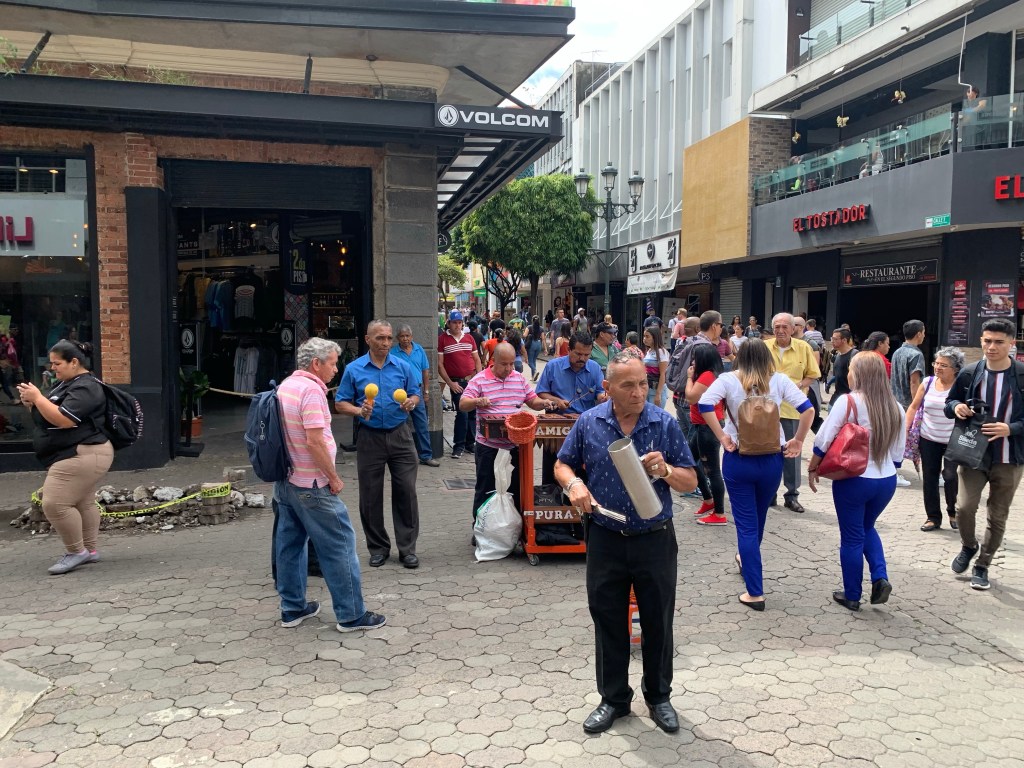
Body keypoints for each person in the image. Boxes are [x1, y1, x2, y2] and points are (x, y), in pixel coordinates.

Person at [555, 353, 697, 735]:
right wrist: (574, 484)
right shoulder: (590, 422)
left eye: (643, 384)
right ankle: (614, 699)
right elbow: (562, 463)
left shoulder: (664, 423)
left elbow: (690, 481)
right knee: (607, 619)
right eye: (628, 385)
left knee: (657, 620)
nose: (638, 392)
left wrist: (666, 470)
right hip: (605, 536)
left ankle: (659, 696)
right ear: (608, 388)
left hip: (655, 538)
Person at [269, 337, 386, 632]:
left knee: (289, 546)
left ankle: (292, 608)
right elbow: (314, 442)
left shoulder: (286, 386)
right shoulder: (311, 391)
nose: (336, 369)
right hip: (312, 484)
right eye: (332, 363)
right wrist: (333, 477)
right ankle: (351, 614)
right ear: (316, 363)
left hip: (286, 481)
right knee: (339, 545)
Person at [699, 339, 815, 610]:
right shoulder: (780, 380)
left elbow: (704, 404)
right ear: (766, 357)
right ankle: (746, 560)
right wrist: (798, 440)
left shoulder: (728, 380)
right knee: (758, 518)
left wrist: (722, 436)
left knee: (746, 526)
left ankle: (755, 591)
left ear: (740, 357)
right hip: (772, 460)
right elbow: (808, 409)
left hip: (738, 459)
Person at [808, 352, 906, 611]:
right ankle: (880, 577)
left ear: (859, 374)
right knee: (867, 527)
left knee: (852, 537)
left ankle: (852, 595)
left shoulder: (848, 401)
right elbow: (898, 453)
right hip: (886, 480)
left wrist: (813, 466)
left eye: (851, 369)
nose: (848, 373)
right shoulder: (896, 407)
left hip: (853, 479)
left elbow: (823, 439)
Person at [16, 340, 113, 575]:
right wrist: (32, 403)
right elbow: (49, 417)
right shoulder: (67, 384)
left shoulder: (86, 387)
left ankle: (76, 552)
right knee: (82, 502)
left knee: (54, 503)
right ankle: (89, 550)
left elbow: (65, 420)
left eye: (57, 363)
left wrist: (38, 398)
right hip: (78, 452)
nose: (52, 368)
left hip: (82, 454)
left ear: (74, 362)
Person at [336, 321, 423, 569]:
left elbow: (415, 393)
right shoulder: (354, 369)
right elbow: (340, 403)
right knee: (370, 494)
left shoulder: (403, 366)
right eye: (380, 338)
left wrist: (412, 402)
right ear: (368, 339)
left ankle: (407, 549)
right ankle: (378, 548)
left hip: (401, 435)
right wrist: (358, 410)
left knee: (406, 491)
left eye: (388, 338)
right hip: (369, 436)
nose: (386, 343)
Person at [945, 318, 1024, 591]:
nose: (992, 347)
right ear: (981, 340)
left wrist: (1011, 428)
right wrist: (956, 407)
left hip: (1009, 457)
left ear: (1011, 343)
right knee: (964, 507)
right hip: (972, 452)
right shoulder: (970, 372)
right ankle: (969, 545)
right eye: (987, 341)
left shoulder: (1021, 375)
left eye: (999, 342)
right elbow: (950, 401)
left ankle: (983, 564)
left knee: (997, 515)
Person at [461, 343, 554, 521]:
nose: (509, 368)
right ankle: (481, 527)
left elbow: (532, 401)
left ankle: (513, 526)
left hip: (515, 445)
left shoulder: (518, 378)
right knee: (486, 488)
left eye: (511, 363)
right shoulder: (479, 379)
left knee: (516, 488)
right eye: (504, 364)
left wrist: (544, 403)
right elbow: (463, 404)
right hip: (489, 447)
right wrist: (478, 401)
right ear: (493, 361)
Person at [764, 313, 821, 514]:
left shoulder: (803, 347)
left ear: (793, 328)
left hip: (793, 409)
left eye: (784, 327)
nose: (780, 330)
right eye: (777, 327)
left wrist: (798, 385)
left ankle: (792, 495)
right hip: (766, 410)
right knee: (767, 453)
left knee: (792, 453)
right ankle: (769, 494)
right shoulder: (764, 347)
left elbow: (813, 375)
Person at [536, 331, 608, 484]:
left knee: (584, 474)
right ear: (569, 349)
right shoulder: (553, 366)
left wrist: (603, 398)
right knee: (552, 473)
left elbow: (600, 393)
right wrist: (556, 400)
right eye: (578, 354)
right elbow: (541, 392)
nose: (582, 358)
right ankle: (552, 493)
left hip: (584, 425)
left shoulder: (594, 368)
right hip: (556, 425)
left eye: (586, 355)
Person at [905, 347, 963, 531]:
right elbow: (913, 407)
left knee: (950, 476)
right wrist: (905, 428)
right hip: (928, 437)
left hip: (953, 439)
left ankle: (953, 511)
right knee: (929, 478)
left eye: (943, 365)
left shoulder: (961, 385)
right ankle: (933, 517)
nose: (938, 367)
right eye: (936, 363)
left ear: (955, 369)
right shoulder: (928, 382)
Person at [685, 344, 727, 526]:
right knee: (689, 461)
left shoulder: (707, 376)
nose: (693, 362)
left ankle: (719, 514)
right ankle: (709, 500)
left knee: (712, 471)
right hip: (701, 426)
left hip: (707, 428)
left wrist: (689, 378)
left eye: (695, 358)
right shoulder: (711, 374)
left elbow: (691, 397)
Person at [392, 323, 439, 468]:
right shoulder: (393, 353)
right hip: (400, 393)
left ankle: (426, 456)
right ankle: (400, 456)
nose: (405, 339)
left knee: (422, 424)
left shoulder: (419, 350)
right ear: (397, 338)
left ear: (412, 336)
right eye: (402, 336)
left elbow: (425, 372)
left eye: (407, 336)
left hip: (416, 391)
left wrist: (426, 392)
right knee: (400, 425)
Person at [438, 310, 482, 459]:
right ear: (448, 323)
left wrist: (479, 379)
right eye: (454, 322)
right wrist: (450, 383)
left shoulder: (469, 338)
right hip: (457, 383)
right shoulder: (442, 340)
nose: (457, 325)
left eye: (459, 322)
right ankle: (458, 446)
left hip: (472, 381)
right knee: (462, 413)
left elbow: (477, 360)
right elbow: (440, 365)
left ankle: (470, 444)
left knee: (472, 413)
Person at [891, 320, 926, 409]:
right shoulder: (916, 355)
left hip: (895, 403)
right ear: (919, 334)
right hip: (909, 405)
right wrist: (917, 407)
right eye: (923, 332)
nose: (924, 335)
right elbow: (914, 382)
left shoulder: (896, 352)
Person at [829, 327, 858, 404]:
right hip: (836, 398)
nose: (832, 341)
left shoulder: (854, 355)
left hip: (850, 400)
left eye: (835, 339)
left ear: (844, 340)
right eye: (832, 338)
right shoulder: (838, 355)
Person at [642, 326, 669, 408]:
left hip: (657, 390)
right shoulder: (649, 351)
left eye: (647, 336)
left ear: (655, 337)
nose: (644, 339)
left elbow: (663, 374)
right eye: (644, 336)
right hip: (648, 389)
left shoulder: (661, 352)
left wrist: (658, 394)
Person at [526, 315, 543, 381]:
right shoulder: (541, 328)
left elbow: (525, 335)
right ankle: (533, 376)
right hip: (539, 344)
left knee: (530, 361)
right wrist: (545, 349)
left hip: (531, 344)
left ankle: (535, 370)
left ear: (532, 320)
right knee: (534, 360)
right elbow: (543, 338)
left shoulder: (529, 327)